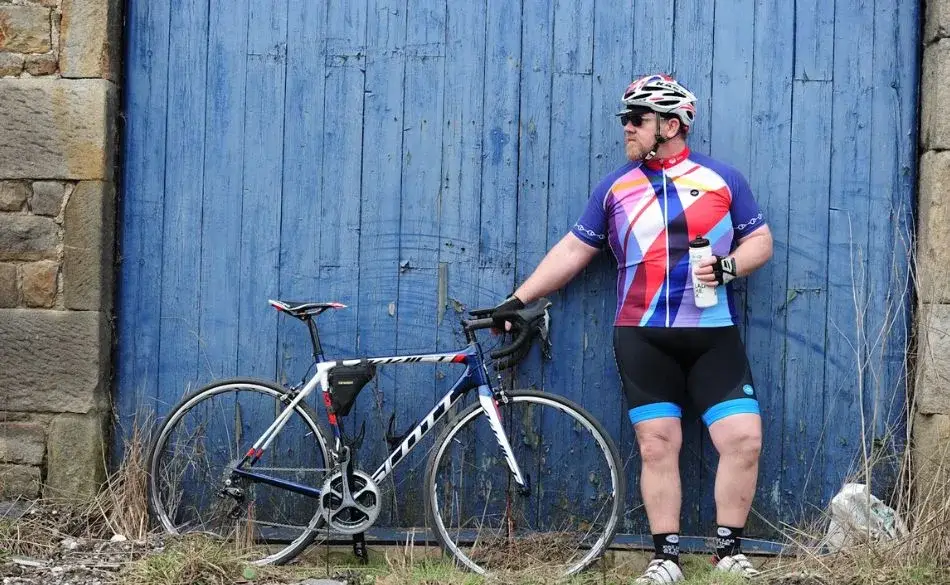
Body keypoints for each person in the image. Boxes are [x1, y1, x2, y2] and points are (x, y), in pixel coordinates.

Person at [491, 74, 773, 583]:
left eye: (636, 119)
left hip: (711, 332)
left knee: (743, 440)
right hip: (642, 335)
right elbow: (575, 249)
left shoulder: (723, 179)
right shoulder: (616, 187)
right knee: (657, 445)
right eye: (626, 118)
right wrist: (519, 298)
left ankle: (727, 553)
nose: (626, 127)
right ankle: (665, 559)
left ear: (671, 125)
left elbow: (761, 242)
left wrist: (729, 268)